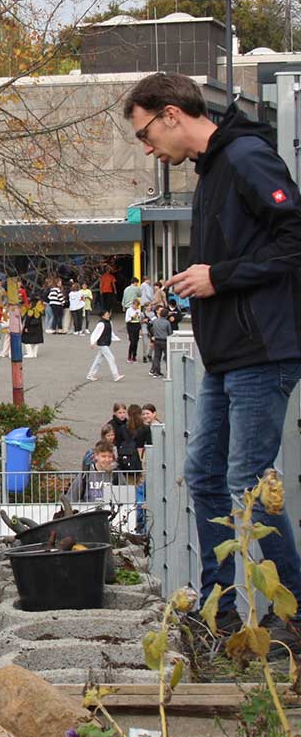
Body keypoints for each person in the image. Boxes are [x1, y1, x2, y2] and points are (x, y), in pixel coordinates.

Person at [131, 74, 301, 651]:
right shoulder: (210, 173)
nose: (148, 148)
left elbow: (295, 237)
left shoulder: (248, 156)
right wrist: (201, 281)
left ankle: (296, 613)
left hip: (263, 350)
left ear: (172, 114)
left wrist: (218, 276)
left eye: (146, 134)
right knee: (204, 474)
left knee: (246, 482)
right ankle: (220, 611)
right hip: (228, 354)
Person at [65, 437, 124, 504]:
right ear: (96, 456)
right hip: (88, 512)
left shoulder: (116, 474)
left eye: (110, 456)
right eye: (103, 456)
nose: (107, 460)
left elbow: (126, 498)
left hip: (111, 511)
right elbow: (71, 498)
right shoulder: (85, 474)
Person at [86, 309, 123, 383]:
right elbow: (95, 333)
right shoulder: (101, 324)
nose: (108, 315)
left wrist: (117, 339)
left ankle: (90, 374)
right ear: (103, 316)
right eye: (106, 314)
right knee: (111, 358)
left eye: (108, 314)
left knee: (98, 360)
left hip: (106, 343)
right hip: (102, 344)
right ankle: (116, 375)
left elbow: (111, 333)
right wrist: (92, 342)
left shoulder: (109, 322)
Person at [148, 306, 172, 378]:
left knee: (156, 357)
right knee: (167, 356)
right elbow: (170, 332)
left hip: (156, 340)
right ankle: (169, 372)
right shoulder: (167, 322)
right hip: (164, 341)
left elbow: (151, 328)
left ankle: (156, 372)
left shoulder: (155, 321)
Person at [125, 299, 143, 363]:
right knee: (132, 342)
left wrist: (140, 329)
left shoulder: (138, 310)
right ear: (133, 305)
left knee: (136, 342)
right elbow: (127, 320)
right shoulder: (129, 310)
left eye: (137, 306)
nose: (136, 307)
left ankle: (134, 356)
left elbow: (139, 320)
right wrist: (133, 317)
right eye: (135, 305)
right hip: (130, 325)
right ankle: (129, 356)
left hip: (137, 325)